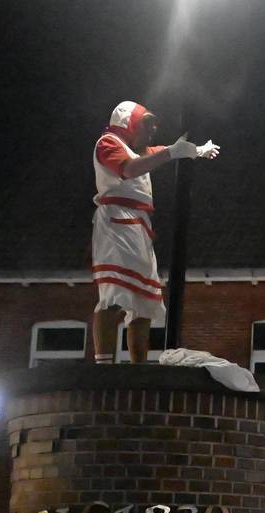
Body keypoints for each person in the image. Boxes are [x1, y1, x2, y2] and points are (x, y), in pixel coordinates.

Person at [91, 100, 219, 364]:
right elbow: (130, 169)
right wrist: (174, 152)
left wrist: (194, 150)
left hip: (138, 226)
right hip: (116, 222)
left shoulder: (136, 149)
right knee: (115, 295)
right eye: (146, 126)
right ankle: (103, 365)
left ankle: (138, 368)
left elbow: (155, 151)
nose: (151, 132)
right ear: (129, 125)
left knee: (142, 304)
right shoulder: (108, 143)